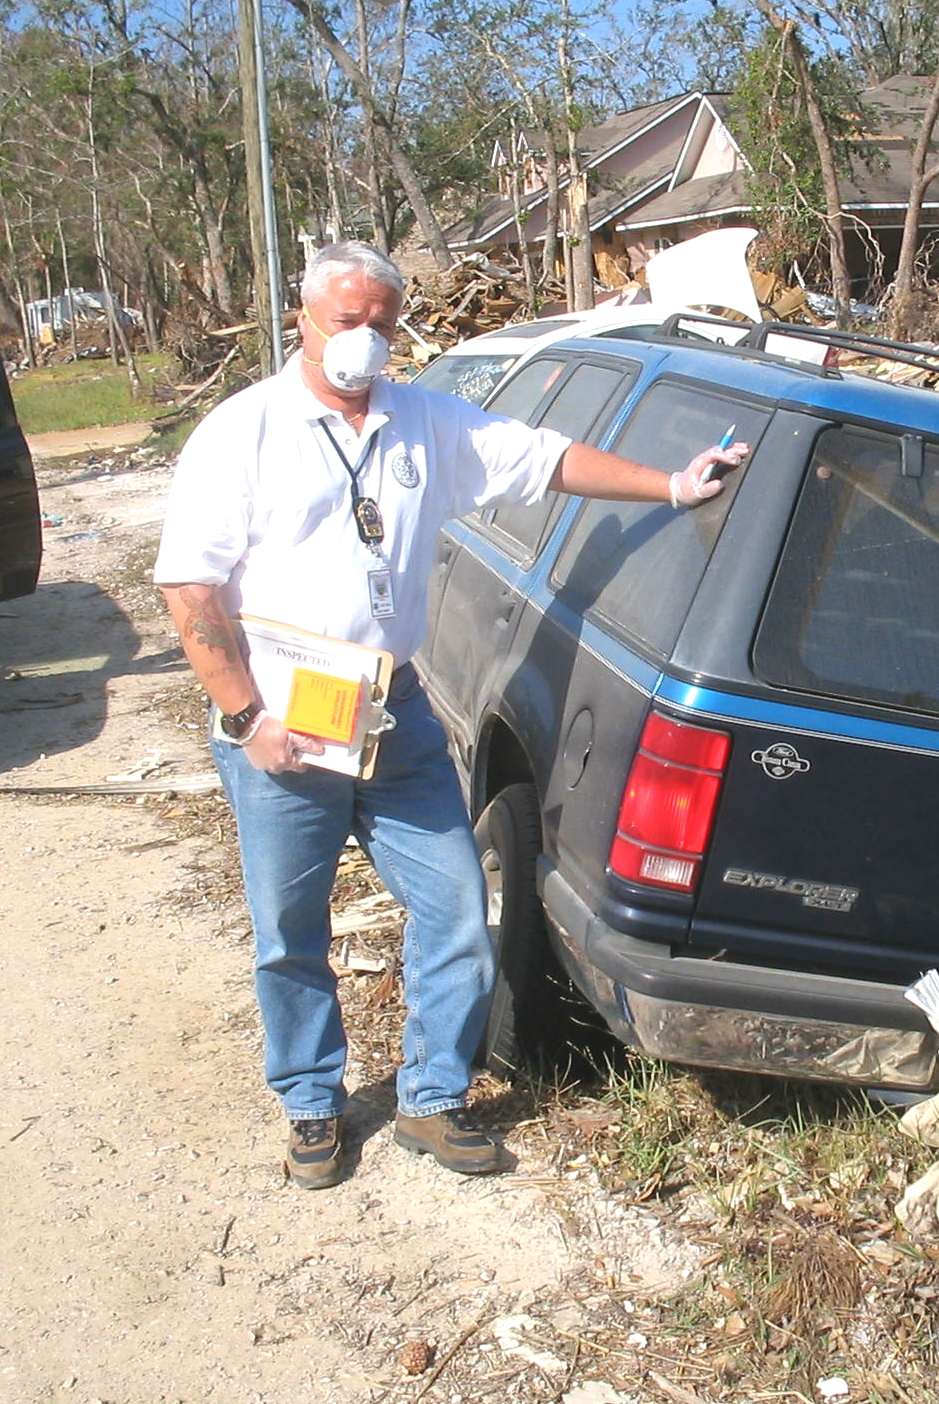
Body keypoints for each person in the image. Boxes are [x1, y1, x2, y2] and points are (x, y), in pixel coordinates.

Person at [154, 240, 747, 1190]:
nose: (366, 341)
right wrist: (245, 716)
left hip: (393, 718)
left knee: (457, 909)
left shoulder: (426, 423)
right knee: (289, 931)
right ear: (302, 320)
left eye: (383, 324)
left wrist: (672, 486)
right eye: (348, 321)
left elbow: (545, 461)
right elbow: (191, 590)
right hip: (285, 723)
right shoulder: (243, 433)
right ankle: (312, 1103)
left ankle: (431, 1100)